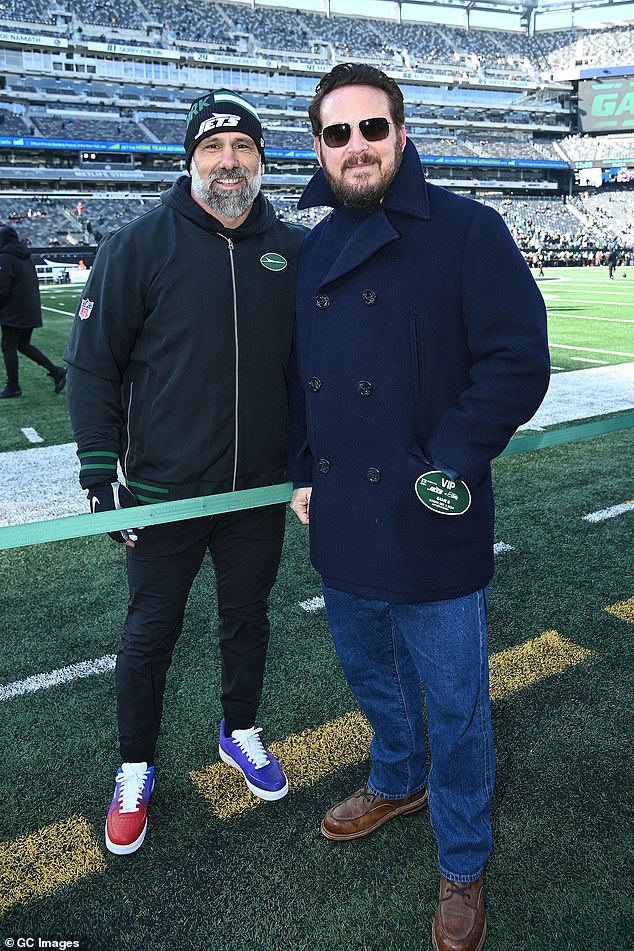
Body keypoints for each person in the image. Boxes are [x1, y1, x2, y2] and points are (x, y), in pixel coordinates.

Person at [287, 64, 550, 951]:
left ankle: (463, 861)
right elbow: (300, 383)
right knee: (372, 678)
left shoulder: (471, 231)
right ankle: (396, 779)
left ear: (402, 134)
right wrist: (302, 470)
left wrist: (445, 463)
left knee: (458, 705)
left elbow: (518, 361)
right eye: (338, 135)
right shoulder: (314, 249)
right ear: (319, 151)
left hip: (434, 513)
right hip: (344, 525)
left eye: (372, 129)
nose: (356, 147)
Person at [64, 89, 306, 856]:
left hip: (258, 491)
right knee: (149, 636)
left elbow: (311, 370)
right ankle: (135, 765)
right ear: (190, 160)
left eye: (241, 149)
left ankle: (241, 731)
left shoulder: (293, 250)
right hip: (163, 494)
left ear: (262, 160)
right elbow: (92, 366)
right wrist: (100, 472)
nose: (228, 163)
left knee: (248, 620)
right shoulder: (138, 245)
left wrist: (306, 464)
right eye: (212, 149)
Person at [0, 225, 66, 399]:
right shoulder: (25, 256)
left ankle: (13, 386)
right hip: (29, 310)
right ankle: (57, 371)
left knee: (8, 346)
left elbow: (2, 289)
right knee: (23, 344)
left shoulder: (6, 258)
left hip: (13, 312)